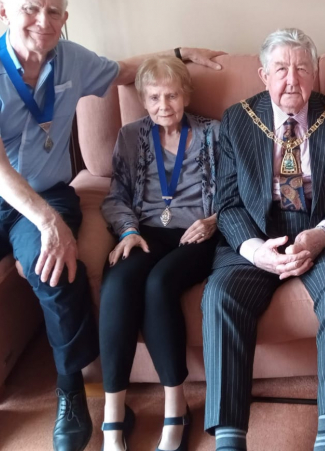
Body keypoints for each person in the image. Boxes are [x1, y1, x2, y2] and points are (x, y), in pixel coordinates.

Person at [0, 0, 222, 451]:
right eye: (30, 9)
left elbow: (123, 69)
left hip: (49, 192)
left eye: (53, 11)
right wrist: (51, 221)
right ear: (3, 12)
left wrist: (179, 53)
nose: (42, 20)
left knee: (57, 271)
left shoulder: (70, 60)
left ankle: (71, 390)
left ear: (64, 17)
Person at [201, 28, 325, 451]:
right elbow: (227, 201)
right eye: (281, 69)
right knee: (220, 295)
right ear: (263, 74)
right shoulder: (239, 119)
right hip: (260, 232)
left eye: (301, 68)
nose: (291, 80)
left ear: (315, 74)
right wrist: (255, 250)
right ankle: (229, 437)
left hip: (324, 230)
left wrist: (322, 235)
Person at [98, 57, 220, 451]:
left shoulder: (213, 133)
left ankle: (175, 409)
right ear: (143, 99)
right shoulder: (131, 136)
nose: (163, 104)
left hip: (196, 234)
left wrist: (214, 220)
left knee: (159, 284)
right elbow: (116, 196)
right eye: (153, 96)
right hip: (145, 231)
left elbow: (237, 191)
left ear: (186, 95)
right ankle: (113, 418)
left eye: (171, 95)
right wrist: (129, 231)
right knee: (117, 283)